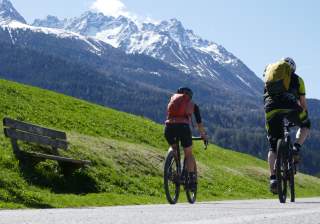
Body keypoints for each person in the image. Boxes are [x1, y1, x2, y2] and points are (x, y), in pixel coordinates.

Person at [263, 57, 311, 194]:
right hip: (290, 107)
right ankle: (296, 148)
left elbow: (265, 99)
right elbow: (303, 104)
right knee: (306, 124)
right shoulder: (298, 80)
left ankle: (273, 178)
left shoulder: (269, 79)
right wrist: (303, 116)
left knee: (273, 147)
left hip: (271, 109)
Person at [164, 87, 208, 191]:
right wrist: (203, 136)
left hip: (169, 127)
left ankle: (172, 169)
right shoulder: (192, 105)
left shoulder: (173, 100)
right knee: (188, 153)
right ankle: (192, 179)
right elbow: (199, 124)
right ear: (190, 96)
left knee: (174, 148)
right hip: (183, 128)